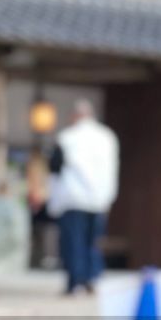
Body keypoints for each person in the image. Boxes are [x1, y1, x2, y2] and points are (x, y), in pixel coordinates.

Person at [47, 99, 119, 295]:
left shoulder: (67, 138)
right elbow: (112, 170)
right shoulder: (107, 137)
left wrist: (53, 201)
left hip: (72, 198)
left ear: (75, 116)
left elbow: (55, 170)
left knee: (74, 243)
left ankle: (75, 282)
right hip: (99, 199)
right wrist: (108, 197)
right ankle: (93, 278)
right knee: (94, 243)